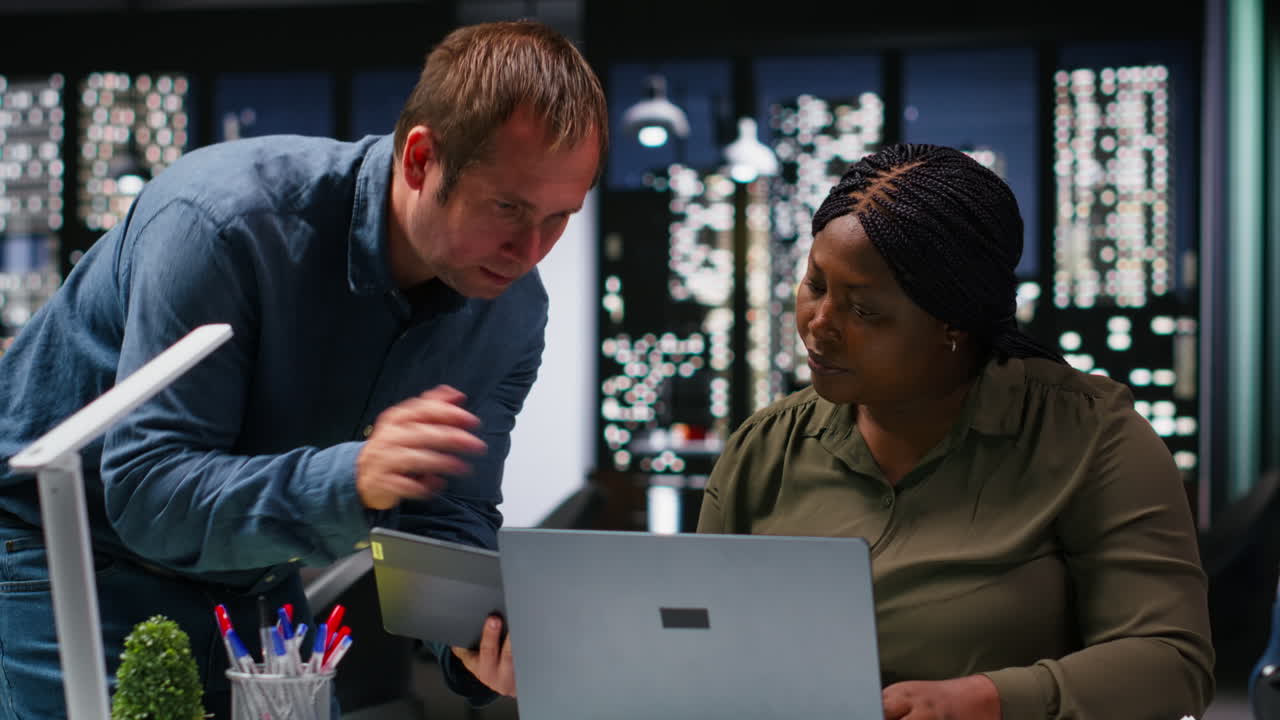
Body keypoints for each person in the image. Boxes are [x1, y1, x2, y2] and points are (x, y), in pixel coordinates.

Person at [0, 19, 603, 719]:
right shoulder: (223, 223)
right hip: (65, 559)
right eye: (509, 208)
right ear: (420, 160)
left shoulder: (511, 310)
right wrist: (352, 479)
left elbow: (448, 512)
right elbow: (147, 493)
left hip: (255, 577)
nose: (531, 249)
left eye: (559, 218)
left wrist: (476, 638)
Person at [696, 143, 1213, 720]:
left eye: (864, 310)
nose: (819, 326)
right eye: (815, 285)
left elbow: (1170, 663)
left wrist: (985, 700)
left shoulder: (1092, 438)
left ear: (952, 323)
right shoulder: (764, 449)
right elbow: (698, 646)